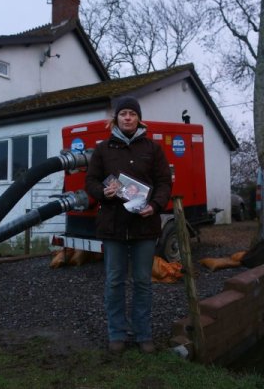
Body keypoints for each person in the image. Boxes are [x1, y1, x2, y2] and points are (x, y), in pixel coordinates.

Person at [85, 96, 172, 354]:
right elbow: (90, 182)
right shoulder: (103, 149)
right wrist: (103, 192)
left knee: (143, 281)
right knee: (114, 281)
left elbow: (164, 183)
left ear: (138, 119)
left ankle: (143, 334)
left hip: (144, 225)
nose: (127, 118)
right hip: (113, 226)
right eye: (123, 113)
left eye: (132, 114)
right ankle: (117, 334)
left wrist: (155, 206)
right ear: (116, 118)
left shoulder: (153, 149)